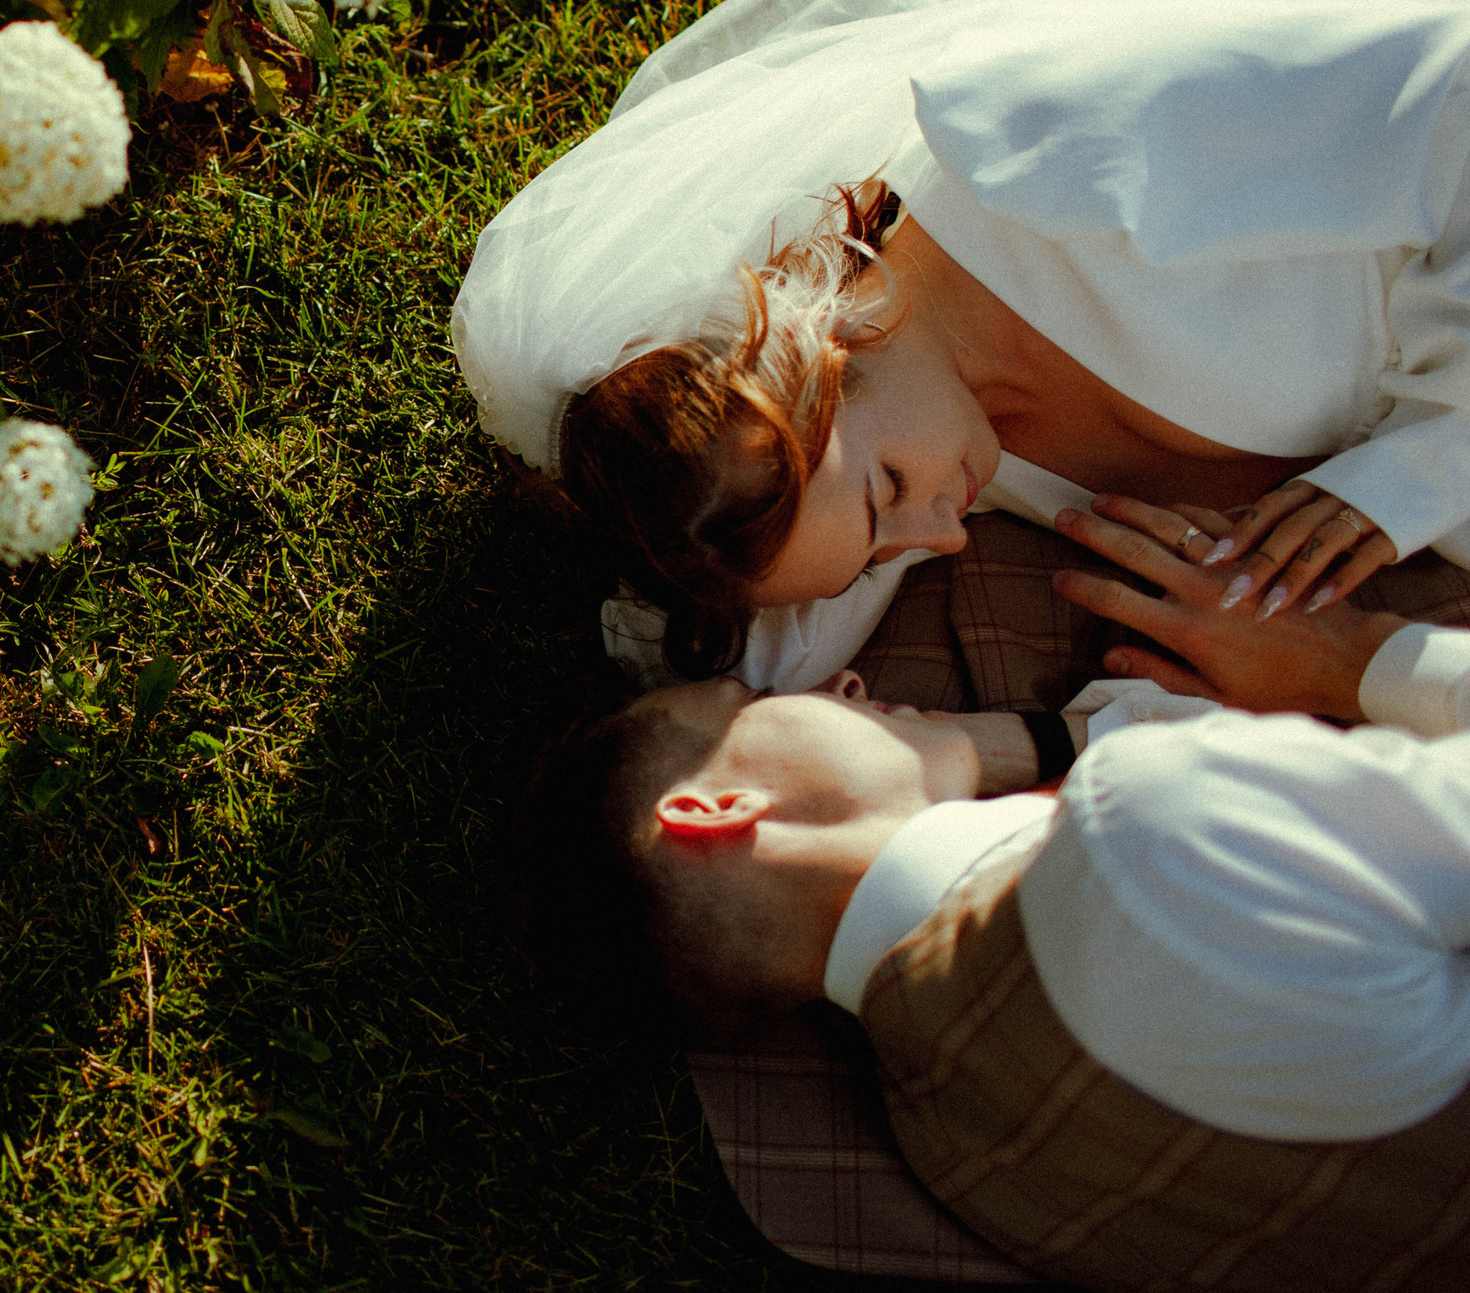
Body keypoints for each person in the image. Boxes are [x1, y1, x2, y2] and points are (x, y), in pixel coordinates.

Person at [451, 0, 1470, 694]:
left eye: (888, 493)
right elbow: (759, 651)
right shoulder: (949, 446)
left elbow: (1453, 90)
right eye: (875, 557)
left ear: (827, 343)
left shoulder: (1043, 136)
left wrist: (1414, 473)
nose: (936, 538)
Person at [518, 517, 1470, 1290]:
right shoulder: (1138, 834)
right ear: (715, 808)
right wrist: (1355, 659)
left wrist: (997, 745)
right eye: (749, 702)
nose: (845, 682)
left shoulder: (968, 1167)